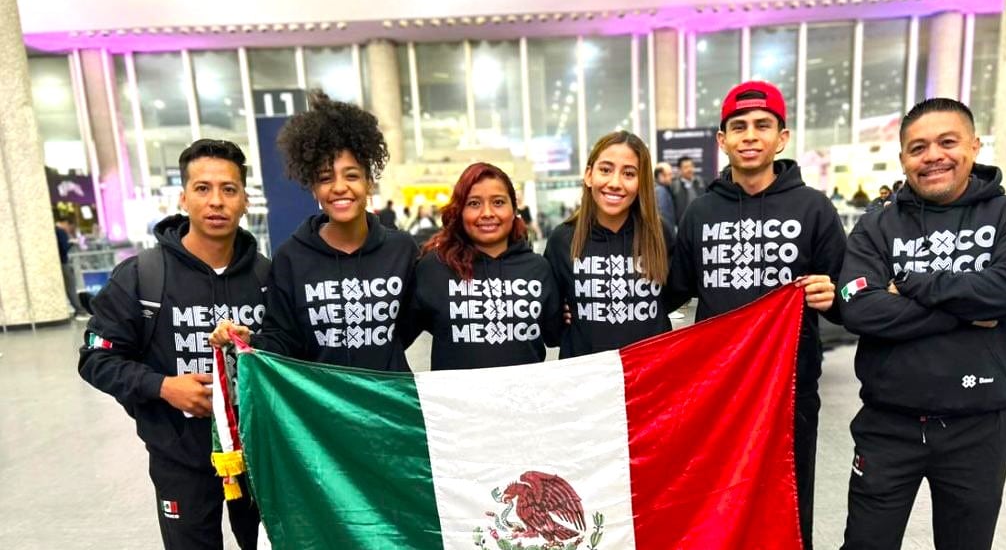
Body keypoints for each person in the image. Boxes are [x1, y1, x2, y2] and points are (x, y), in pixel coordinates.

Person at [793, 98, 1006, 550]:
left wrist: (912, 287)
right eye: (918, 147)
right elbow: (859, 308)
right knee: (865, 545)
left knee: (965, 546)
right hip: (890, 423)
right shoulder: (879, 224)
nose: (933, 155)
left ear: (973, 145)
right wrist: (964, 300)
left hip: (979, 422)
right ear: (903, 157)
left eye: (947, 142)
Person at [78, 139, 272, 550]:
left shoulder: (267, 276)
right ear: (183, 195)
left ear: (245, 198)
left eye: (229, 189)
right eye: (204, 188)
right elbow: (96, 359)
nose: (217, 201)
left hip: (257, 453)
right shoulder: (143, 277)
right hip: (182, 458)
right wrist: (164, 387)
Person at [668, 80, 845, 550]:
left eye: (761, 126)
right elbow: (676, 288)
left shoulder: (813, 208)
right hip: (720, 388)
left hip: (791, 381)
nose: (750, 137)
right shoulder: (702, 211)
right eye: (738, 128)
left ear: (782, 136)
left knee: (790, 501)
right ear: (722, 140)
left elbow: (847, 292)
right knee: (716, 499)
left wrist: (833, 295)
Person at [210, 92, 417, 372]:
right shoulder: (291, 257)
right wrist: (251, 340)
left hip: (387, 406)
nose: (339, 187)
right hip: (320, 409)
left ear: (369, 183)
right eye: (325, 178)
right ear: (313, 188)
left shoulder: (401, 250)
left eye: (352, 175)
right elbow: (284, 338)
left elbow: (415, 321)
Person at [408, 162, 562, 370]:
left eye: (498, 202)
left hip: (524, 400)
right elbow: (395, 337)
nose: (487, 213)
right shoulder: (434, 268)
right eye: (474, 203)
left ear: (514, 208)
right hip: (454, 401)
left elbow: (555, 335)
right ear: (460, 211)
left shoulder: (539, 269)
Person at [546, 131, 673, 358]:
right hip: (586, 378)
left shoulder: (659, 233)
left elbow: (675, 293)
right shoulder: (562, 239)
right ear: (588, 175)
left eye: (629, 173)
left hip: (650, 373)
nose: (615, 183)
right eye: (605, 170)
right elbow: (551, 318)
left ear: (641, 182)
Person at [55, 217, 86, 316]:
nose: (68, 229)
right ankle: (80, 310)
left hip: (57, 262)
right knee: (71, 286)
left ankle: (78, 309)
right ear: (65, 223)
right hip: (63, 263)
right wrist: (72, 242)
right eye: (69, 227)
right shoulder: (60, 232)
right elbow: (64, 248)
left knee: (68, 287)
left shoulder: (53, 230)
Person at [670, 155, 706, 223]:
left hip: (701, 221)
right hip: (682, 224)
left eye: (691, 166)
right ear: (679, 169)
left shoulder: (702, 182)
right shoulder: (674, 185)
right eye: (686, 167)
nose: (689, 169)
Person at [653, 161, 677, 232]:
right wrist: (672, 237)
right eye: (669, 174)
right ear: (661, 176)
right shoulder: (660, 191)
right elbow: (665, 218)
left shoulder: (659, 189)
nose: (671, 177)